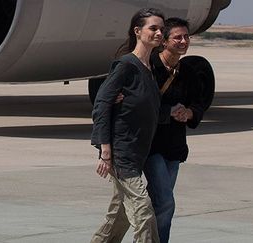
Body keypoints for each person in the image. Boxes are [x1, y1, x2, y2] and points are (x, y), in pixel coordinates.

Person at [90, 8, 165, 243]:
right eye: (153, 28)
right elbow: (101, 104)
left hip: (138, 152)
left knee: (119, 216)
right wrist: (105, 150)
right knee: (143, 211)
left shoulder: (150, 68)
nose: (159, 33)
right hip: (122, 153)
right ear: (137, 31)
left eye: (161, 29)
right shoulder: (126, 65)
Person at [144, 17, 205, 243]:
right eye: (177, 37)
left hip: (175, 147)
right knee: (166, 201)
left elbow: (198, 103)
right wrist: (168, 111)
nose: (183, 41)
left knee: (158, 201)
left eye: (186, 37)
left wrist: (189, 113)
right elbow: (141, 104)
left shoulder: (187, 71)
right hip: (151, 146)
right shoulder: (149, 68)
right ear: (164, 41)